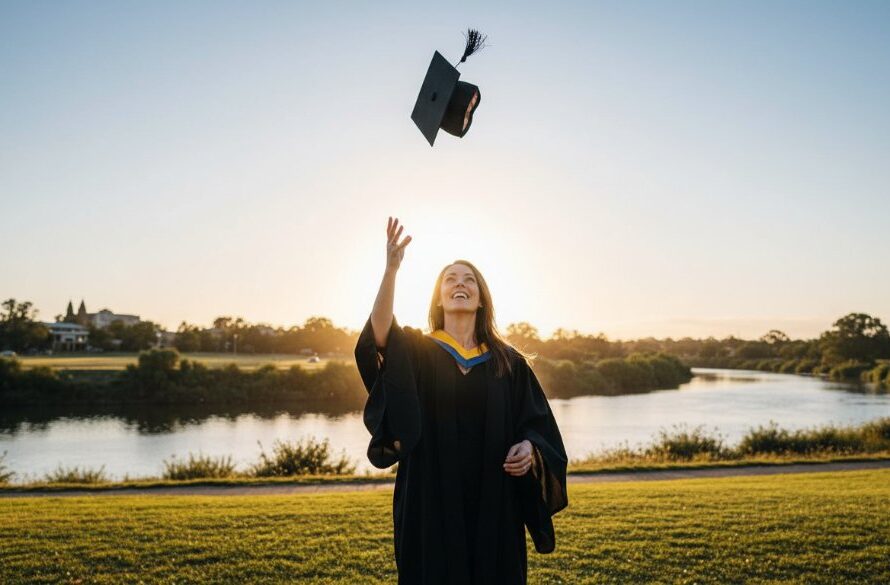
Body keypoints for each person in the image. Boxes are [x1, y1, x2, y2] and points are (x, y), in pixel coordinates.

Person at [355, 217, 568, 585]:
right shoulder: (418, 351)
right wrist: (391, 270)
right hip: (431, 496)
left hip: (495, 500)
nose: (460, 284)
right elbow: (378, 334)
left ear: (481, 299)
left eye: (469, 279)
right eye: (450, 279)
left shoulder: (508, 362)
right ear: (439, 298)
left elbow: (538, 424)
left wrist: (530, 448)